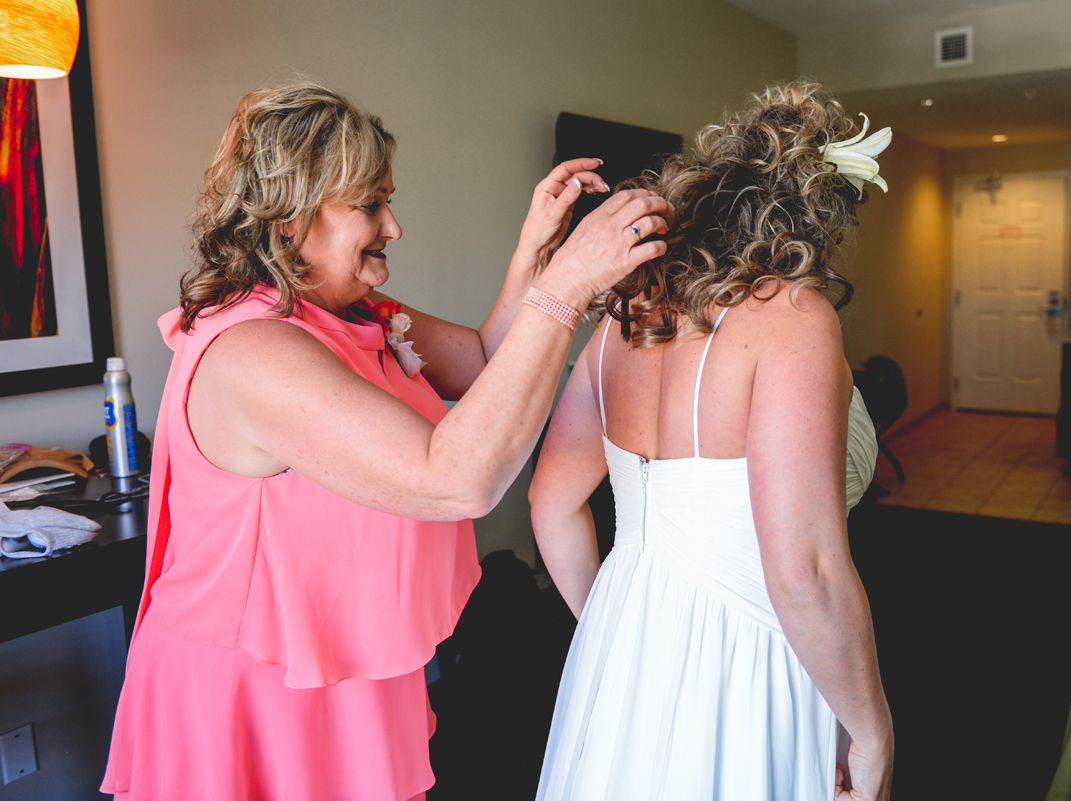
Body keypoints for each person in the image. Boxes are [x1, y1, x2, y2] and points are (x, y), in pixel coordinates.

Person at [100, 77, 672, 801]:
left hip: (341, 661)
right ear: (290, 221)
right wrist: (566, 286)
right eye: (370, 204)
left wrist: (537, 249)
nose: (394, 226)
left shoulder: (346, 309)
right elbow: (455, 477)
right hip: (257, 686)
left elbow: (485, 362)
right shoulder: (254, 352)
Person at [530, 81, 894, 800]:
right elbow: (806, 571)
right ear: (811, 218)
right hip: (748, 652)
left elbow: (550, 502)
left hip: (623, 633)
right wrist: (873, 727)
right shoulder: (794, 315)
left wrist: (608, 627)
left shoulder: (622, 317)